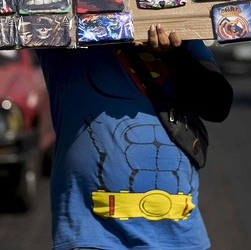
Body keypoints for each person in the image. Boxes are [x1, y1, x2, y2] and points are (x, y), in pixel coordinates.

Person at [36, 24, 234, 250]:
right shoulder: (66, 35)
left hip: (181, 235)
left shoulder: (179, 31)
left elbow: (218, 106)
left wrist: (174, 55)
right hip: (93, 235)